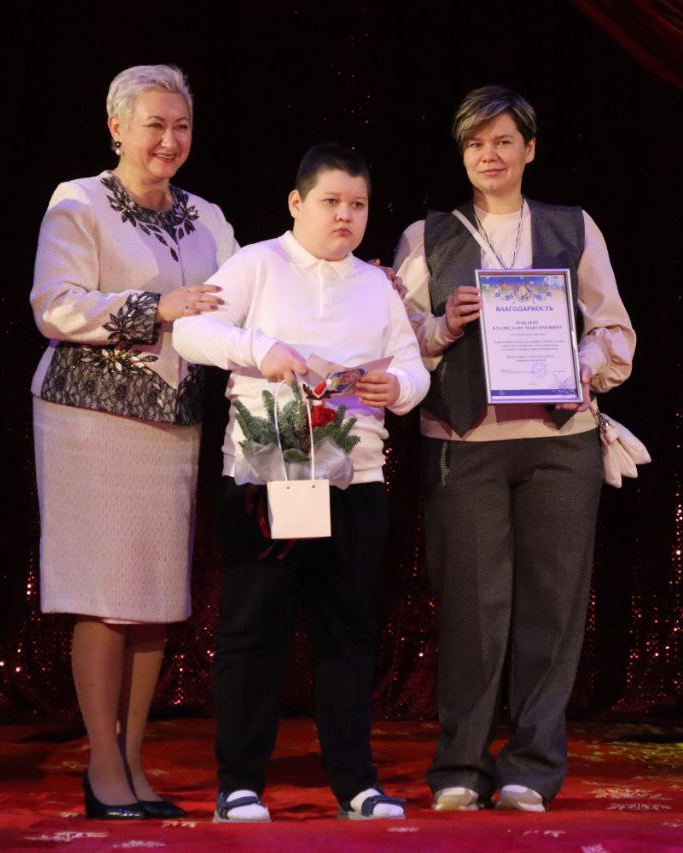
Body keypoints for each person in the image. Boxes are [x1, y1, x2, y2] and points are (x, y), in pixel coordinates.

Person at [392, 85, 635, 812]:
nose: (488, 155)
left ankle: (531, 765)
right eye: (474, 143)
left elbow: (613, 328)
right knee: (472, 608)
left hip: (561, 442)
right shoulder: (426, 236)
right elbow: (398, 341)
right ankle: (460, 767)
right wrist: (444, 325)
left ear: (530, 148)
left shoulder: (573, 228)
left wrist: (583, 365)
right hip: (465, 442)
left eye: (502, 141)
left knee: (552, 607)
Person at [172, 143, 429, 822]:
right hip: (265, 480)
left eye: (358, 205)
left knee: (346, 632)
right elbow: (192, 332)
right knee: (253, 629)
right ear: (296, 202)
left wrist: (399, 386)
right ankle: (239, 784)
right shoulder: (259, 263)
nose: (345, 216)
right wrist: (261, 349)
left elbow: (413, 366)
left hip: (354, 481)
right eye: (331, 201)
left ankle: (357, 784)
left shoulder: (375, 285)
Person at [29, 64, 238, 820]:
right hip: (91, 419)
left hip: (172, 421)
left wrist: (336, 287)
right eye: (155, 125)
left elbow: (251, 296)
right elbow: (54, 305)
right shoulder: (80, 201)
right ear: (117, 127)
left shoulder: (207, 216)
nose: (169, 140)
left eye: (181, 126)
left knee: (154, 597)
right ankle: (102, 764)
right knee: (105, 592)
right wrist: (155, 307)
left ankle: (135, 762)